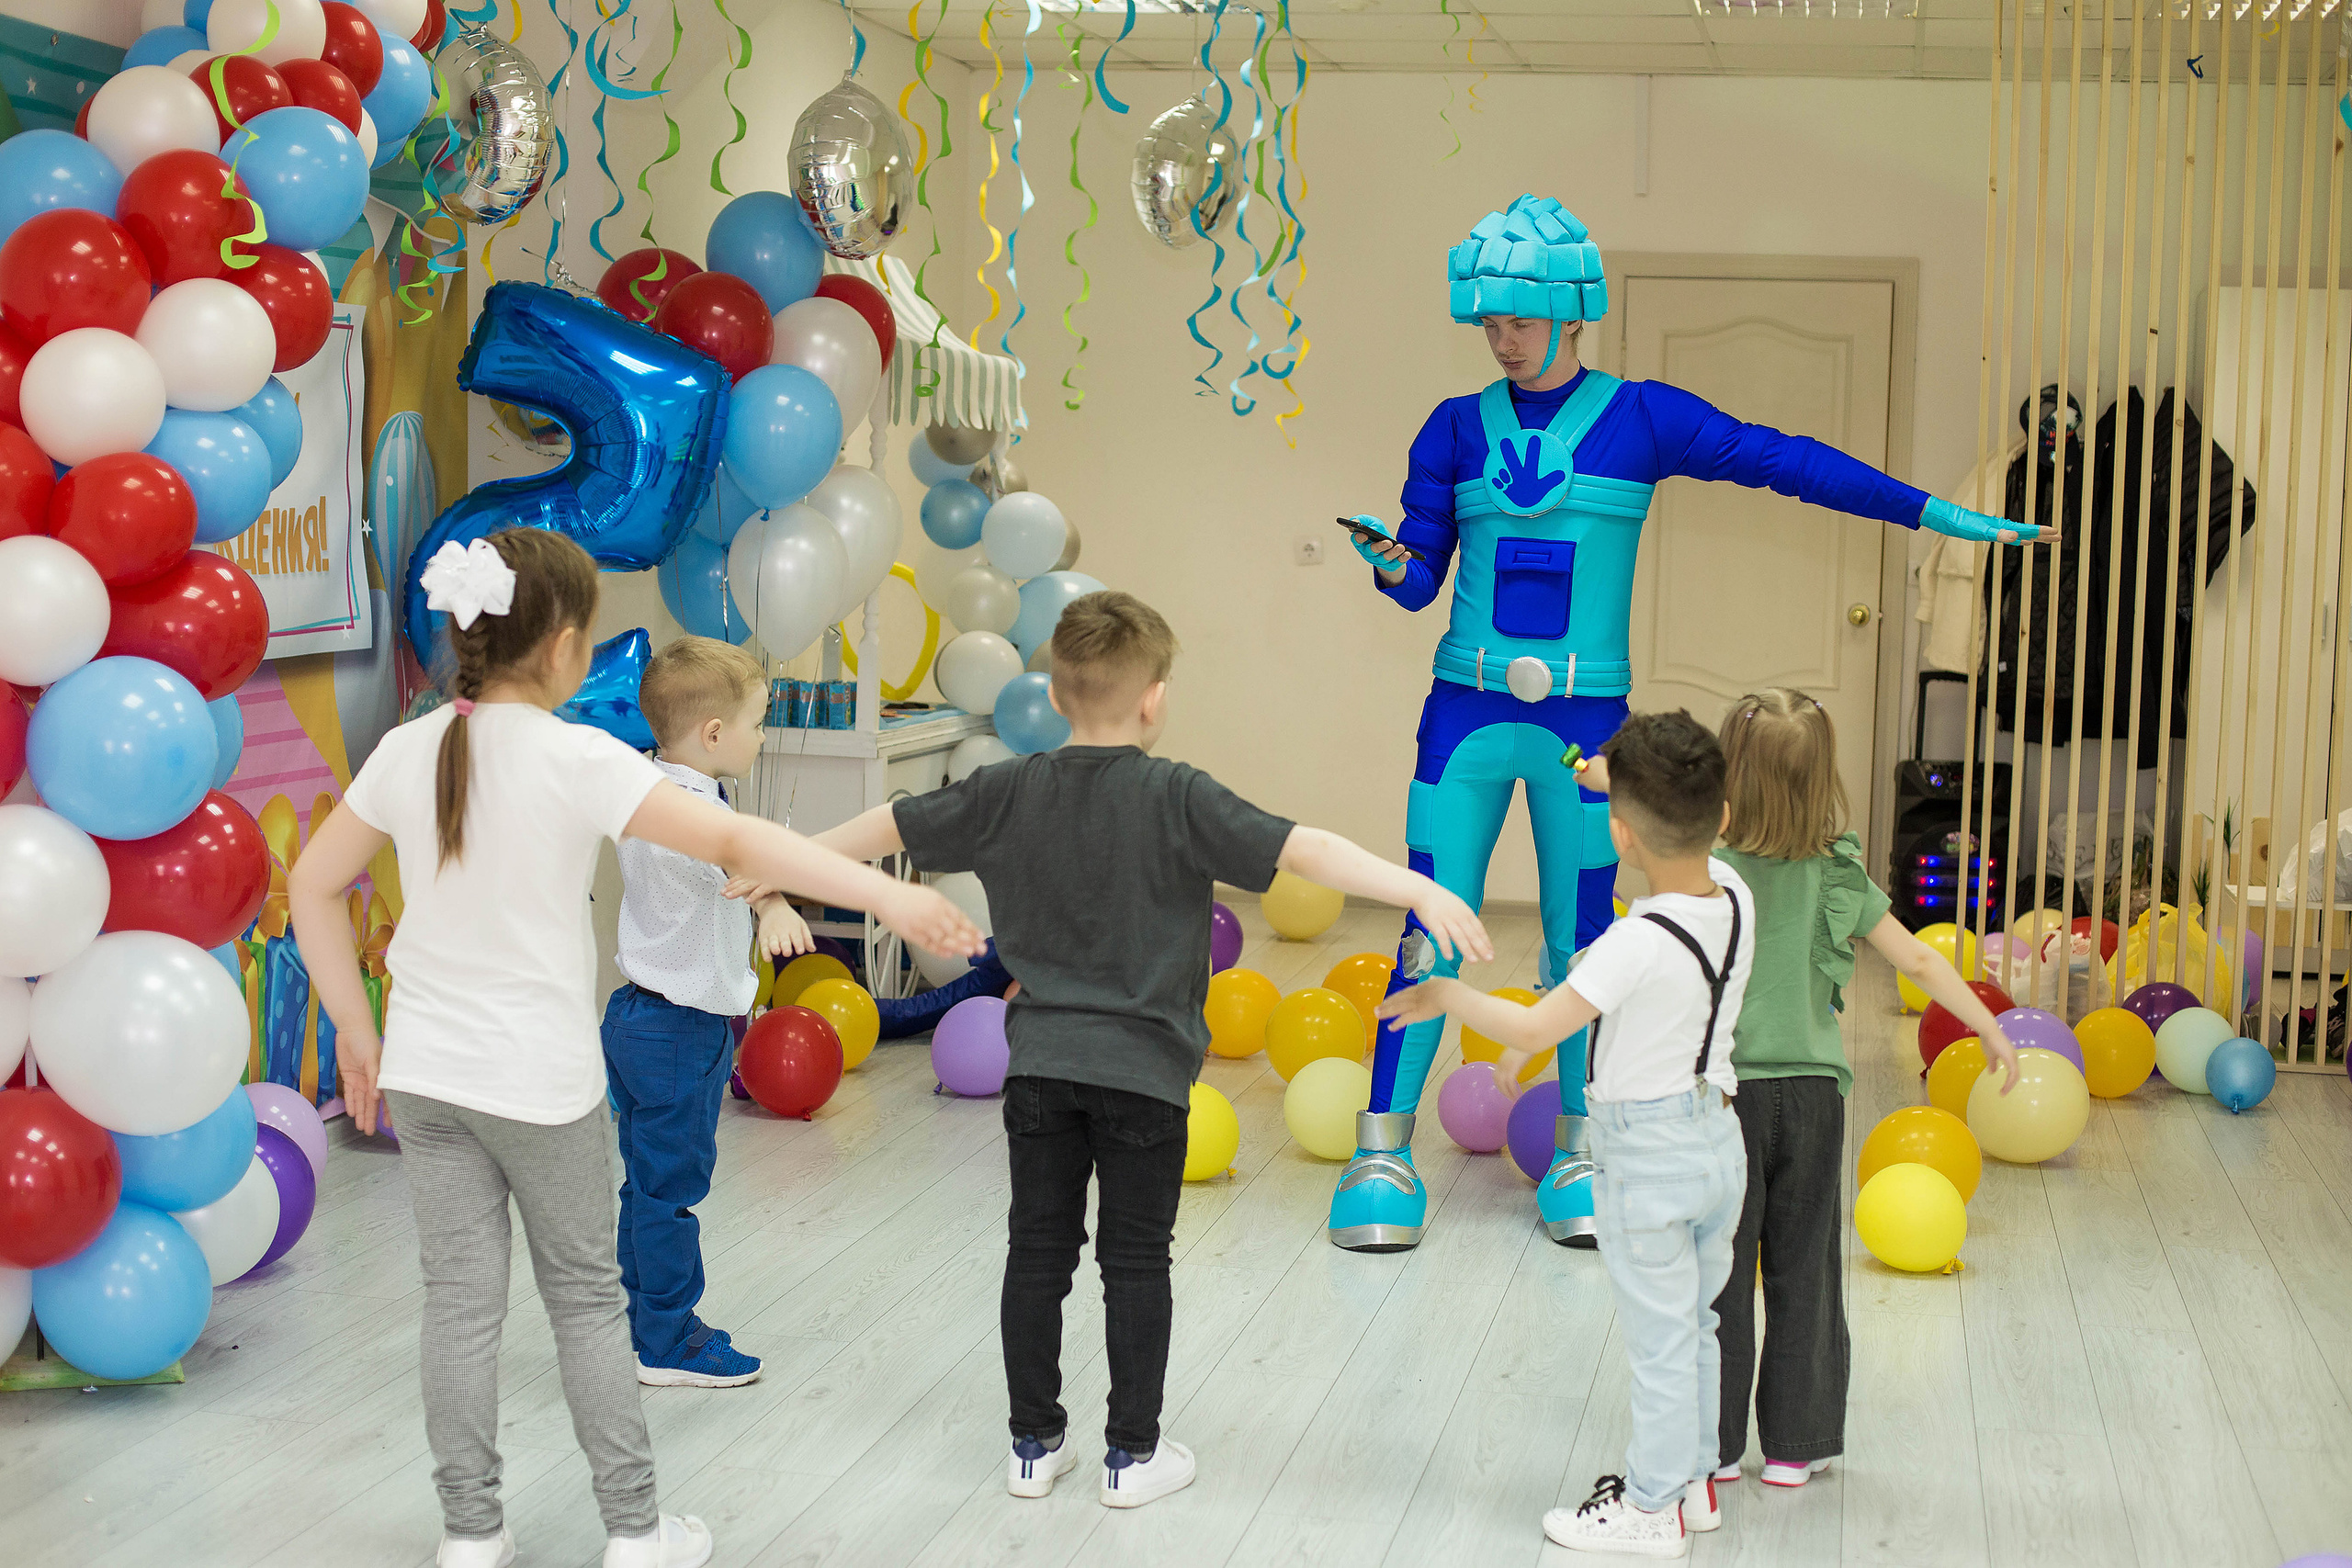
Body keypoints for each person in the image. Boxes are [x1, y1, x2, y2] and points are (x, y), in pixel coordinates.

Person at [1332, 193, 2052, 1254]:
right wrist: (1391, 560)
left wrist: (1937, 516)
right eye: (1488, 324)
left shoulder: (1640, 418)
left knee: (1583, 938)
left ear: (1573, 313)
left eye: (1520, 322)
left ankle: (1578, 1145)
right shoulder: (1451, 428)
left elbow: (1788, 462)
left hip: (1587, 730)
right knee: (1427, 921)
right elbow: (1417, 578)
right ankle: (1381, 1148)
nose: (1502, 341)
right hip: (1465, 718)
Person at [288, 530, 984, 1568]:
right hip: (535, 1084)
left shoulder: (412, 744)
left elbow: (310, 885)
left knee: (459, 1307)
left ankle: (470, 1534)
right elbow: (739, 845)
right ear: (565, 647)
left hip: (427, 1078)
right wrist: (889, 891)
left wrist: (355, 1025)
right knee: (583, 1302)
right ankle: (633, 1529)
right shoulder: (579, 758)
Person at [809, 591, 1492, 1512]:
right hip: (1144, 1079)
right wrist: (1419, 883)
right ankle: (1131, 1456)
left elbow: (887, 826)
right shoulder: (1176, 794)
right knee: (1136, 1263)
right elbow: (1310, 848)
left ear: (1052, 694)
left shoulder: (1011, 787)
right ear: (1154, 699)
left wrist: (773, 855)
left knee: (1036, 1253)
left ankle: (1030, 1444)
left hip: (1042, 1070)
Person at [1383, 710, 1752, 1559]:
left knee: (1659, 1342)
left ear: (1619, 831)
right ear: (1720, 817)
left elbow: (1544, 1020)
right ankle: (1693, 1483)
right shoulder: (1733, 892)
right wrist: (1610, 780)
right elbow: (1667, 814)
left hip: (1649, 1157)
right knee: (1696, 1324)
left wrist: (1444, 995)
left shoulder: (1632, 941)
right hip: (1715, 1142)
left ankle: (1651, 1508)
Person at [1706, 689, 2018, 1491]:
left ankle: (1711, 1449)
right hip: (1813, 1097)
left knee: (1717, 1272)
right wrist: (1984, 1022)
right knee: (1807, 1269)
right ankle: (1793, 1447)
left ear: (1729, 771)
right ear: (1821, 778)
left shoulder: (1704, 864)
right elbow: (1915, 959)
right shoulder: (1834, 867)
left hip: (1723, 1097)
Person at [605, 636, 810, 1391]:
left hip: (637, 1017)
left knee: (644, 1185)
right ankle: (666, 1340)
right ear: (715, 733)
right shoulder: (688, 810)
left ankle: (638, 1325)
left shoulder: (652, 785)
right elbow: (736, 862)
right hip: (678, 1031)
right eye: (758, 722)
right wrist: (777, 902)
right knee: (670, 1192)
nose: (763, 736)